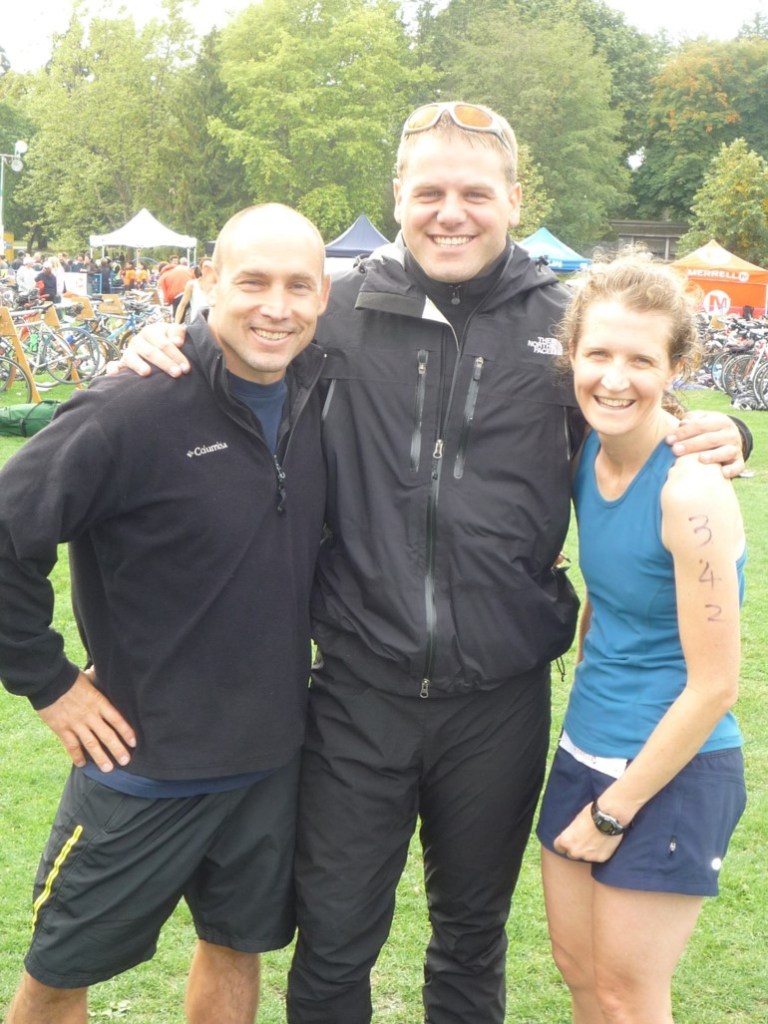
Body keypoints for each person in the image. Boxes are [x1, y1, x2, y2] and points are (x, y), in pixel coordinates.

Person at [119, 102, 749, 1024]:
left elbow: (638, 405)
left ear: (514, 200)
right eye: (430, 193)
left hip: (499, 698)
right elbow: (237, 347)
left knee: (470, 938)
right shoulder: (336, 310)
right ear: (398, 198)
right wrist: (164, 338)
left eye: (476, 194)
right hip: (358, 691)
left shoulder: (562, 320)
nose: (451, 213)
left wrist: (725, 431)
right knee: (335, 941)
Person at [0, 203, 330, 1024]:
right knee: (56, 977)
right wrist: (48, 683)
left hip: (269, 762)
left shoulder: (324, 395)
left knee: (235, 948)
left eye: (298, 286)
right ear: (208, 282)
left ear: (325, 295)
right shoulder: (132, 406)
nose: (276, 307)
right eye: (253, 282)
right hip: (143, 766)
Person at [536, 255, 746, 1024]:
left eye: (641, 360)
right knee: (580, 974)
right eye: (598, 354)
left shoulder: (690, 491)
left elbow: (716, 685)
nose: (615, 379)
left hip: (669, 771)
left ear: (676, 368)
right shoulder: (587, 454)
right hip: (584, 746)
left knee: (629, 997)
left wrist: (614, 812)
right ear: (572, 355)